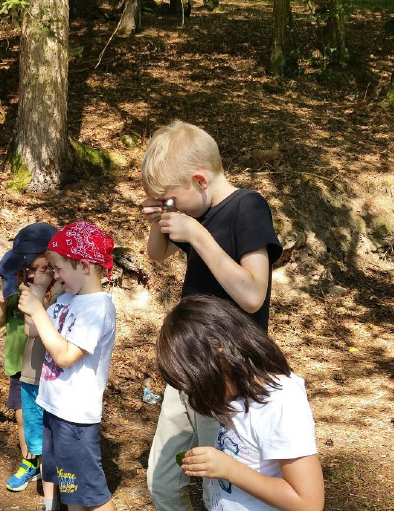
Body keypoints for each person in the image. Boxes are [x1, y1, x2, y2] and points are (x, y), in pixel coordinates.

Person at [140, 120, 283, 511]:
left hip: (226, 372)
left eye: (172, 198)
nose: (174, 209)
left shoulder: (247, 207)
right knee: (162, 481)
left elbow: (253, 294)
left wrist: (197, 235)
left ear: (199, 180)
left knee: (217, 484)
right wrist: (161, 219)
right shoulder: (193, 211)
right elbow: (157, 255)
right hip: (188, 362)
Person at [156, 295, 324, 511]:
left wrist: (230, 470)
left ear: (221, 353)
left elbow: (308, 503)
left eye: (199, 385)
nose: (198, 396)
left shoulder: (281, 401)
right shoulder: (238, 397)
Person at [17, 222, 117, 511]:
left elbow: (64, 355)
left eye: (59, 268)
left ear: (84, 266)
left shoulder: (98, 307)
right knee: (71, 491)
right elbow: (33, 330)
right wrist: (38, 291)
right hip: (54, 409)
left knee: (94, 498)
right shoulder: (69, 298)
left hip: (75, 419)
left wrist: (38, 309)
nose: (56, 275)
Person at [0, 222, 58, 496]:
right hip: (19, 364)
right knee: (23, 417)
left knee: (48, 420)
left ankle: (50, 468)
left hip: (44, 366)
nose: (31, 275)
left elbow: (40, 327)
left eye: (37, 268)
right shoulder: (16, 286)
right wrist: (2, 300)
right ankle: (28, 461)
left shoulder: (56, 292)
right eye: (27, 270)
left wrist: (37, 298)